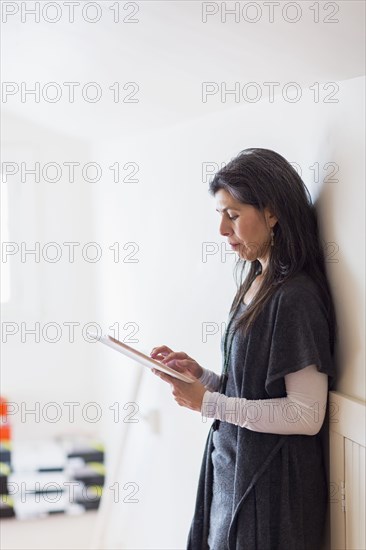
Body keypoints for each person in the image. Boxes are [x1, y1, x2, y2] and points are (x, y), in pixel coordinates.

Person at [150, 148, 338, 550]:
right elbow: (251, 386)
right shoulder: (256, 281)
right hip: (235, 469)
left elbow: (306, 414)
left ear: (272, 213)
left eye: (233, 215)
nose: (222, 229)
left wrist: (210, 404)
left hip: (270, 488)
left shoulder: (296, 298)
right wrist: (201, 377)